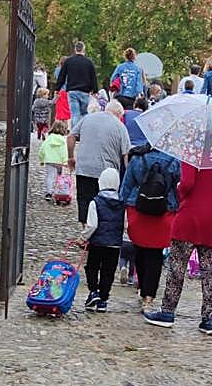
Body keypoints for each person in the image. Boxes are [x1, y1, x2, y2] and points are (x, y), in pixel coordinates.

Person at [144, 161, 212, 335]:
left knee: (177, 268)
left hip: (191, 216)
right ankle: (208, 319)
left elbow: (187, 183)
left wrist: (179, 188)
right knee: (210, 275)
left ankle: (167, 312)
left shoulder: (194, 150)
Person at [120, 142, 182, 313]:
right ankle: (149, 297)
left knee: (139, 249)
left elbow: (126, 186)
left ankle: (142, 289)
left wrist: (120, 208)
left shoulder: (138, 158)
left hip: (137, 207)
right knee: (155, 254)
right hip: (164, 210)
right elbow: (180, 189)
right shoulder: (175, 161)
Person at [67, 100, 129, 224]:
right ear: (118, 113)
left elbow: (71, 137)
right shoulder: (120, 126)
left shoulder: (87, 118)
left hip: (84, 168)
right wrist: (127, 174)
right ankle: (100, 233)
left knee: (85, 200)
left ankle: (86, 232)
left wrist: (71, 157)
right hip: (106, 173)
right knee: (104, 204)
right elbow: (125, 154)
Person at [81, 167, 125, 312]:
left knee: (92, 267)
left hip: (97, 243)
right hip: (114, 245)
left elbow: (92, 225)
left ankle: (93, 292)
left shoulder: (96, 202)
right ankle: (103, 299)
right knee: (108, 271)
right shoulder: (122, 203)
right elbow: (125, 224)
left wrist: (83, 238)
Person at [54, 41, 98, 128]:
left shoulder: (69, 61)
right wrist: (95, 90)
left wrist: (57, 89)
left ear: (75, 49)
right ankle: (83, 131)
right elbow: (93, 77)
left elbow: (62, 76)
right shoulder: (89, 62)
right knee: (84, 113)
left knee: (75, 114)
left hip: (72, 91)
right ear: (83, 49)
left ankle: (75, 134)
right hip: (85, 91)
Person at [37, 120, 69, 201]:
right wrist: (65, 161)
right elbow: (64, 151)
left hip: (49, 161)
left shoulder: (49, 139)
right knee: (59, 177)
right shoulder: (62, 140)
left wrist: (41, 159)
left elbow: (42, 149)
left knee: (50, 176)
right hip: (59, 162)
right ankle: (58, 191)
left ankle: (49, 193)